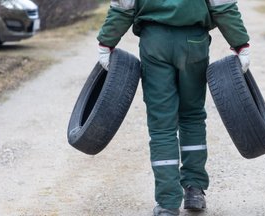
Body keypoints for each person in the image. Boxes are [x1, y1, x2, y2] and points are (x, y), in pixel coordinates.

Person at [97, 0, 250, 215]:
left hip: (155, 43)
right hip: (194, 42)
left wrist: (106, 42)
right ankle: (194, 189)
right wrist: (241, 43)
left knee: (161, 124)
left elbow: (124, 6)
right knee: (192, 116)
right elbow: (222, 6)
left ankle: (168, 203)